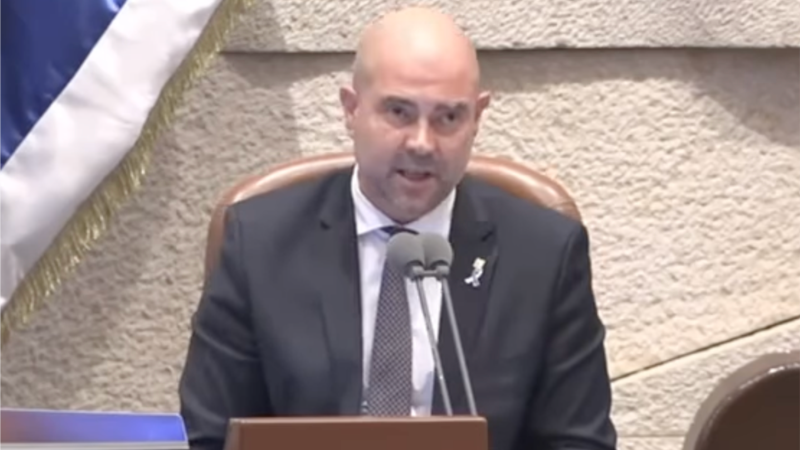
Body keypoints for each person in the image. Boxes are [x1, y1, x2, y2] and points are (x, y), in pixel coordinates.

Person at [178, 6, 617, 450]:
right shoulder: (259, 244)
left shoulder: (544, 254)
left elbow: (579, 442)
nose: (422, 143)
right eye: (399, 112)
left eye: (448, 117)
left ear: (477, 117)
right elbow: (209, 436)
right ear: (351, 109)